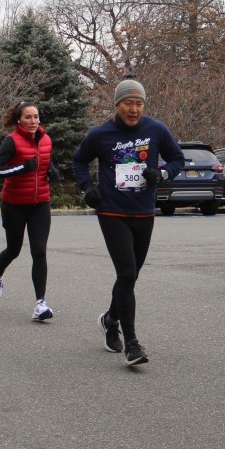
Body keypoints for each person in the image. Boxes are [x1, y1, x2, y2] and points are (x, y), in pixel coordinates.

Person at [72, 78, 184, 366]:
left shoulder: (156, 130)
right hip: (112, 211)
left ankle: (110, 319)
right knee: (126, 273)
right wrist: (87, 187)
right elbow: (79, 161)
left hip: (144, 211)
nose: (134, 109)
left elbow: (177, 159)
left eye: (139, 104)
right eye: (128, 103)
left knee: (131, 276)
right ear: (117, 105)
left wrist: (162, 174)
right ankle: (132, 344)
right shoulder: (101, 134)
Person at [0, 102, 62, 321]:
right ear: (19, 120)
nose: (33, 121)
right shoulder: (11, 141)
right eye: (28, 117)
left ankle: (40, 304)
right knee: (14, 249)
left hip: (40, 203)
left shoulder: (46, 140)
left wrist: (53, 171)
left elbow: (46, 161)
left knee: (39, 251)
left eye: (36, 117)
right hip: (14, 204)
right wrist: (21, 168)